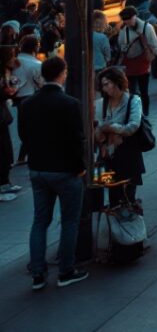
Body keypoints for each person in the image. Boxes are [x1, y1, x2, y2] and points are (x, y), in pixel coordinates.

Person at [19, 56, 87, 289]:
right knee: (69, 221)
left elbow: (23, 136)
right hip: (65, 170)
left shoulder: (28, 104)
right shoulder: (70, 104)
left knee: (40, 221)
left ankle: (38, 273)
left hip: (38, 169)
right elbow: (76, 140)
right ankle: (66, 271)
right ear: (62, 73)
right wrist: (80, 167)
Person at [95, 67, 145, 205]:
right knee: (111, 193)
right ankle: (114, 220)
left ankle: (129, 217)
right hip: (107, 158)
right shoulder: (102, 103)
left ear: (118, 82)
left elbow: (133, 126)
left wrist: (111, 127)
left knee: (128, 195)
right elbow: (97, 130)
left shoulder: (133, 100)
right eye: (102, 85)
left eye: (107, 84)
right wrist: (102, 133)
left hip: (129, 155)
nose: (104, 89)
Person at [116, 6, 157, 116]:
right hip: (130, 62)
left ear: (135, 16)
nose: (127, 22)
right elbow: (121, 45)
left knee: (143, 90)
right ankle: (135, 112)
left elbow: (155, 45)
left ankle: (145, 112)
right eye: (125, 20)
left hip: (143, 61)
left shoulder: (147, 27)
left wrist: (152, 55)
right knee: (131, 90)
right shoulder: (123, 29)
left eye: (129, 19)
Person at [12, 34, 42, 165]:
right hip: (31, 96)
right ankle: (26, 155)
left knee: (23, 127)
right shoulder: (36, 64)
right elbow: (41, 83)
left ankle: (22, 156)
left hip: (17, 97)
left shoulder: (14, 61)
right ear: (35, 47)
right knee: (32, 127)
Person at [1, 46, 20, 199]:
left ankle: (5, 181)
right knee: (4, 150)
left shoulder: (7, 72)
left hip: (3, 115)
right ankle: (3, 184)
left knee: (6, 150)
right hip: (1, 116)